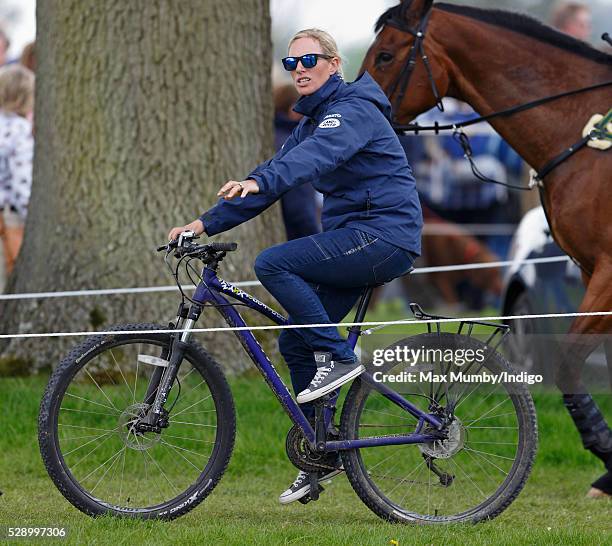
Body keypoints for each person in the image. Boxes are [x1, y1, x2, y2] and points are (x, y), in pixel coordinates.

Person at [168, 28, 422, 504]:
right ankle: (320, 451)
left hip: (383, 237)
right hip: (353, 240)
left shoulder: (352, 110)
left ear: (334, 65)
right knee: (294, 338)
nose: (299, 69)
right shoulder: (311, 123)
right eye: (291, 64)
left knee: (273, 262)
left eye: (309, 60)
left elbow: (309, 161)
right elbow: (269, 183)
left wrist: (257, 179)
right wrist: (202, 225)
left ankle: (341, 358)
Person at [273, 83, 320, 240]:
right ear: (293, 108)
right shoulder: (293, 146)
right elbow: (299, 203)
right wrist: (316, 239)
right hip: (294, 237)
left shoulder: (273, 136)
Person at [0, 64, 34, 277]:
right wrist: (29, 213)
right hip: (10, 213)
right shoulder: (19, 130)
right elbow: (21, 180)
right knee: (14, 267)